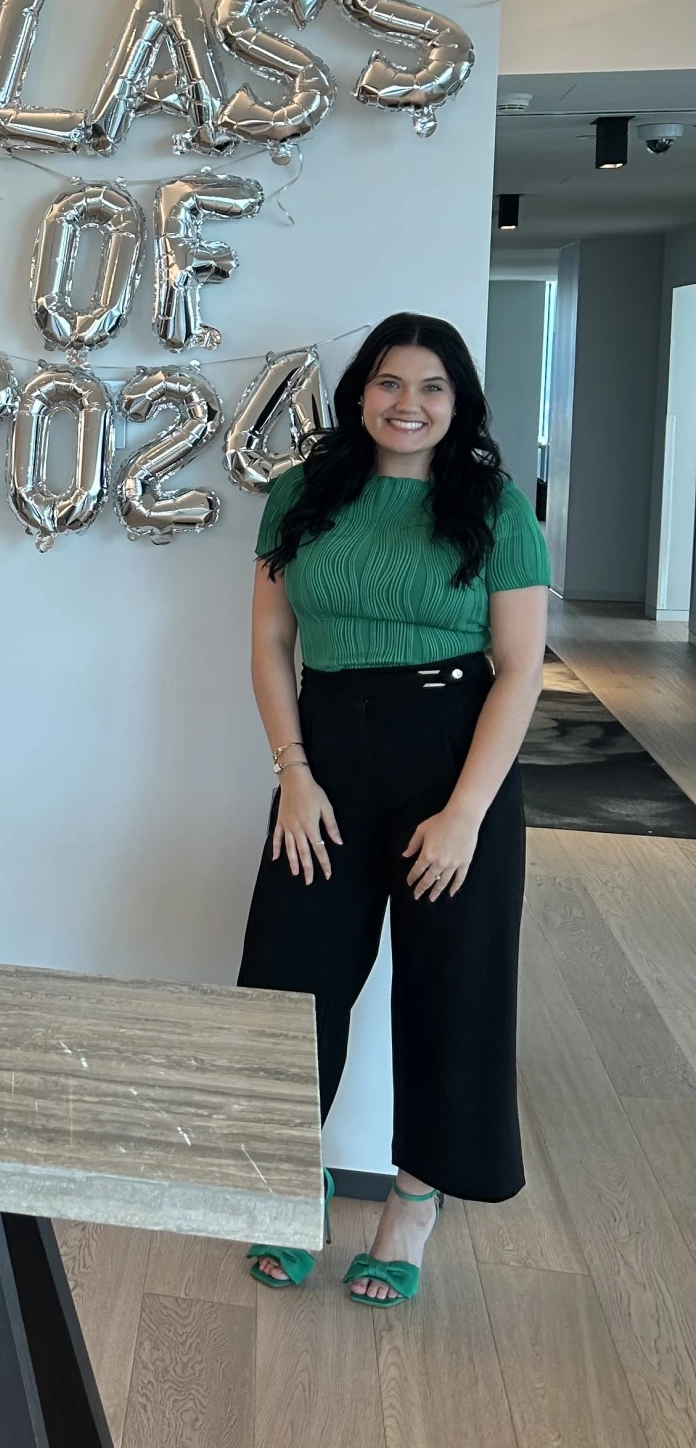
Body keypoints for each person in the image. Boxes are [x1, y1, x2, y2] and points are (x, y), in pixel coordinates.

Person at [239, 312, 549, 1306]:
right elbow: (271, 640)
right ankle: (289, 1182)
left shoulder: (495, 505)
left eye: (431, 387)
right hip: (324, 758)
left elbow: (520, 668)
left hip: (454, 753)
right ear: (359, 394)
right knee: (290, 983)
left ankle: (413, 1199)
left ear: (459, 404)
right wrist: (292, 769)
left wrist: (464, 812)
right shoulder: (302, 493)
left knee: (448, 987)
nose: (407, 403)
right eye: (387, 382)